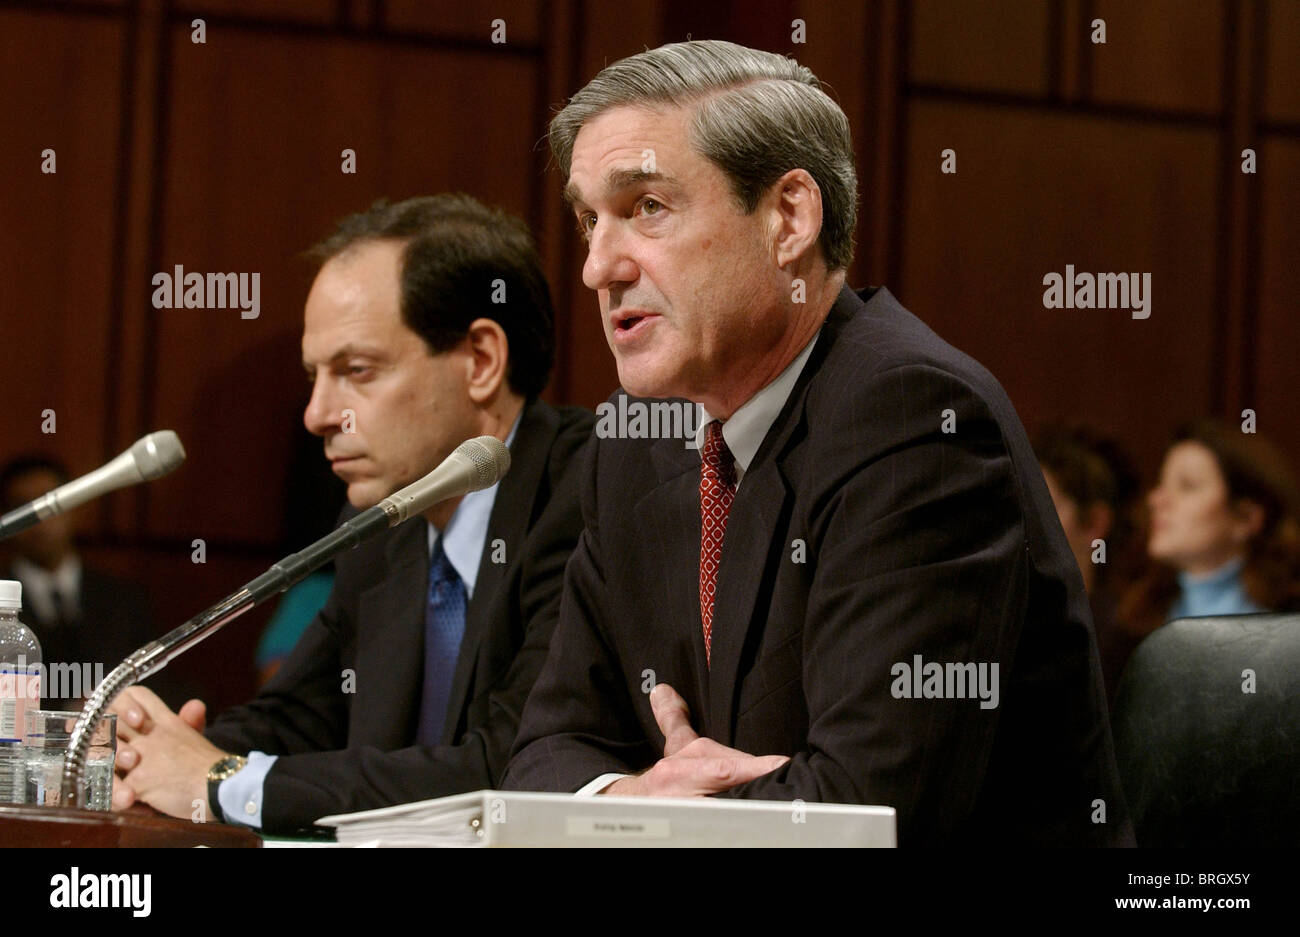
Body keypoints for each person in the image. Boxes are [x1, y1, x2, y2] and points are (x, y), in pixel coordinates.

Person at [502, 39, 1132, 846]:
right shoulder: (635, 449)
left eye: (647, 208)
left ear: (789, 218)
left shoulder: (914, 420)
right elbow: (545, 752)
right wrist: (637, 795)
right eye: (591, 219)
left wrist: (648, 822)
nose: (596, 267)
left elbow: (862, 810)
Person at [109, 194, 593, 833]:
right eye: (315, 375)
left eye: (356, 370)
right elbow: (296, 719)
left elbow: (512, 767)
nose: (316, 414)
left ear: (480, 360)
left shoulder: (587, 493)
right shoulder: (379, 525)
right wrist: (153, 754)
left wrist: (221, 780)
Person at [0, 456, 182, 709]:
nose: (39, 522)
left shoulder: (124, 598)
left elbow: (160, 681)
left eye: (49, 504)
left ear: (73, 508)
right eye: (23, 508)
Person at [1120, 419, 1300, 639]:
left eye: (1188, 485)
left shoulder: (1286, 631)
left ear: (1246, 518)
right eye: (1161, 483)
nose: (1157, 499)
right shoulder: (1130, 624)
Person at [1034, 425, 1141, 704]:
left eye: (1043, 508)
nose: (1025, 524)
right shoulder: (1007, 623)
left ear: (1095, 522)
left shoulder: (1124, 639)